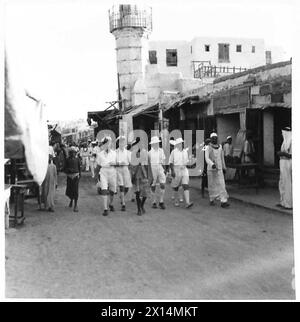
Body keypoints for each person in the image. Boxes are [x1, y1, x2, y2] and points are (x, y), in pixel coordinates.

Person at [205, 133, 229, 208]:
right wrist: (212, 164)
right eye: (213, 138)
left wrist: (224, 167)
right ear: (211, 139)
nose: (215, 139)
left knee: (222, 184)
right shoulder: (207, 147)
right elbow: (207, 158)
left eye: (216, 138)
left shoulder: (220, 147)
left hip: (219, 169)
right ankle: (211, 199)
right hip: (211, 169)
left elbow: (222, 158)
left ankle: (223, 201)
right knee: (212, 185)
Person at [169, 138, 193, 208]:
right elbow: (170, 162)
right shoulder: (174, 152)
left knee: (185, 185)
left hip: (184, 169)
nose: (181, 144)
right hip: (176, 169)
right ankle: (176, 200)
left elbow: (187, 161)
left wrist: (191, 161)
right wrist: (172, 171)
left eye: (182, 143)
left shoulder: (185, 151)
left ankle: (188, 202)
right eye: (179, 143)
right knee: (176, 186)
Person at [96, 136, 117, 216]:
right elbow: (98, 166)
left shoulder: (114, 153)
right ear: (104, 144)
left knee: (112, 191)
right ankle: (105, 209)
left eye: (109, 143)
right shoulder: (100, 154)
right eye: (106, 143)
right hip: (103, 172)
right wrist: (96, 177)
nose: (107, 145)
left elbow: (118, 164)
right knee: (104, 190)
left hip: (112, 172)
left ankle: (111, 204)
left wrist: (114, 164)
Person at [131, 138, 149, 216]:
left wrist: (148, 175)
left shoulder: (145, 152)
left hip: (144, 174)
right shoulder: (134, 153)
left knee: (145, 194)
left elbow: (147, 164)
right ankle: (139, 209)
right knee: (138, 193)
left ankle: (141, 205)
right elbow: (132, 164)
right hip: (137, 174)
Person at [148, 136, 166, 210]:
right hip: (152, 168)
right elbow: (148, 164)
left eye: (158, 143)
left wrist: (165, 170)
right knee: (153, 185)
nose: (157, 144)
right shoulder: (149, 153)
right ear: (153, 144)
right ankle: (154, 201)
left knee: (162, 184)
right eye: (155, 143)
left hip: (160, 167)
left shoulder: (161, 151)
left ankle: (161, 201)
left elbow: (163, 161)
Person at [277, 127, 292, 210]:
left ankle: (288, 203)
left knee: (287, 183)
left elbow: (291, 155)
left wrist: (282, 153)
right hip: (282, 163)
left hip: (288, 163)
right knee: (282, 183)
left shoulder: (292, 141)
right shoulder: (284, 141)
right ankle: (283, 202)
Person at [116, 136, 132, 211]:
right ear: (118, 143)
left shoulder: (128, 153)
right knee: (121, 186)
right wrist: (119, 163)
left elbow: (131, 162)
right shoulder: (116, 152)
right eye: (120, 142)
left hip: (126, 169)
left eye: (123, 142)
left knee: (127, 187)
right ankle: (123, 203)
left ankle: (122, 196)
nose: (121, 143)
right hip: (119, 170)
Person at [64, 147, 81, 212]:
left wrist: (80, 176)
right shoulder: (67, 160)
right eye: (71, 153)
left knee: (75, 191)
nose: (72, 154)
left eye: (74, 153)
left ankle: (75, 205)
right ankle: (71, 200)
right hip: (69, 177)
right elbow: (64, 169)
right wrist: (68, 170)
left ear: (75, 153)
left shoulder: (77, 160)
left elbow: (79, 169)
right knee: (70, 191)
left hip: (76, 176)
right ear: (69, 153)